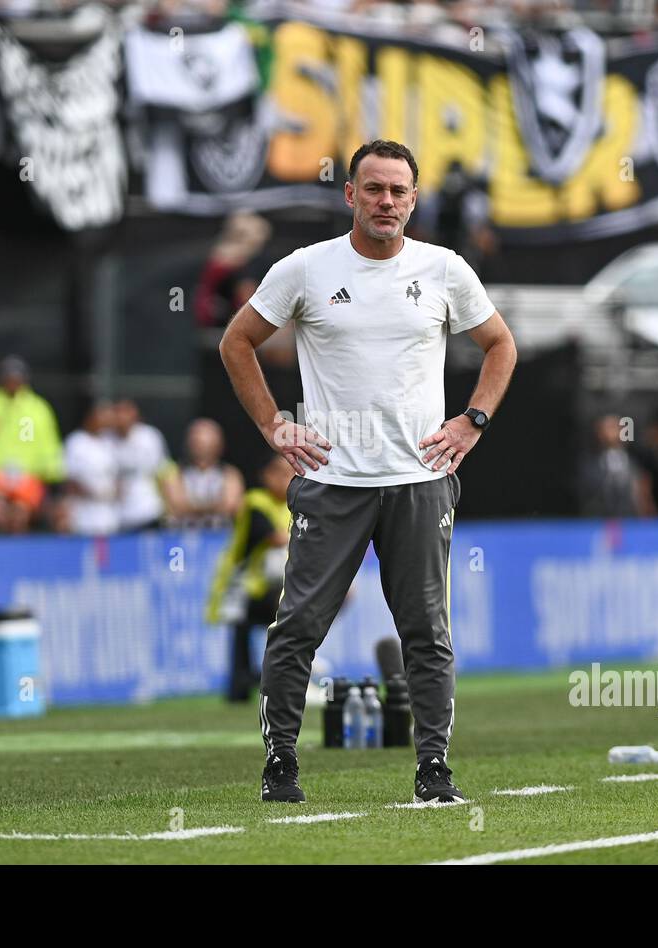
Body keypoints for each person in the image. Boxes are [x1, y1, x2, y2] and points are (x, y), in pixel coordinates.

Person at [218, 139, 518, 804]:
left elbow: (501, 345)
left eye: (398, 192)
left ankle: (434, 769)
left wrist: (473, 420)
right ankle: (280, 764)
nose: (386, 202)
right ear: (349, 194)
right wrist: (275, 424)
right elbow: (236, 341)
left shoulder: (444, 270)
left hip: (418, 478)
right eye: (374, 189)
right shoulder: (305, 270)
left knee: (427, 632)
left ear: (414, 200)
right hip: (332, 482)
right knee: (297, 625)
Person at [205, 454, 293, 703]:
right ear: (266, 476)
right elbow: (272, 538)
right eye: (279, 472)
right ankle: (248, 685)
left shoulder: (290, 505)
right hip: (242, 586)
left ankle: (266, 680)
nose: (286, 478)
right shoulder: (255, 502)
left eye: (290, 473)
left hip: (270, 588)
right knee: (250, 629)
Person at [0, 355, 65, 515]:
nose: (12, 382)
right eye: (8, 377)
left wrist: (48, 477)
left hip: (28, 478)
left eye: (17, 378)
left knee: (20, 511)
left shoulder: (37, 408)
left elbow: (49, 450)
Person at [162, 418, 244, 529]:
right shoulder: (174, 472)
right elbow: (177, 506)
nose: (198, 443)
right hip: (182, 535)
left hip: (221, 535)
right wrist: (214, 506)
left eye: (205, 439)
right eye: (195, 438)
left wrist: (193, 508)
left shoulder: (230, 473)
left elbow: (231, 506)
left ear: (219, 444)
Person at [107, 399, 172, 533]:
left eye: (124, 412)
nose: (120, 417)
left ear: (134, 414)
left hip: (148, 512)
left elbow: (163, 473)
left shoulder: (149, 437)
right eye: (116, 412)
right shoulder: (105, 440)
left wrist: (170, 507)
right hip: (116, 517)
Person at [64, 400, 119, 536]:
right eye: (101, 417)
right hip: (84, 513)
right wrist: (94, 493)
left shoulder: (110, 442)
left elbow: (117, 475)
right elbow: (70, 479)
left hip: (110, 513)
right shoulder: (76, 442)